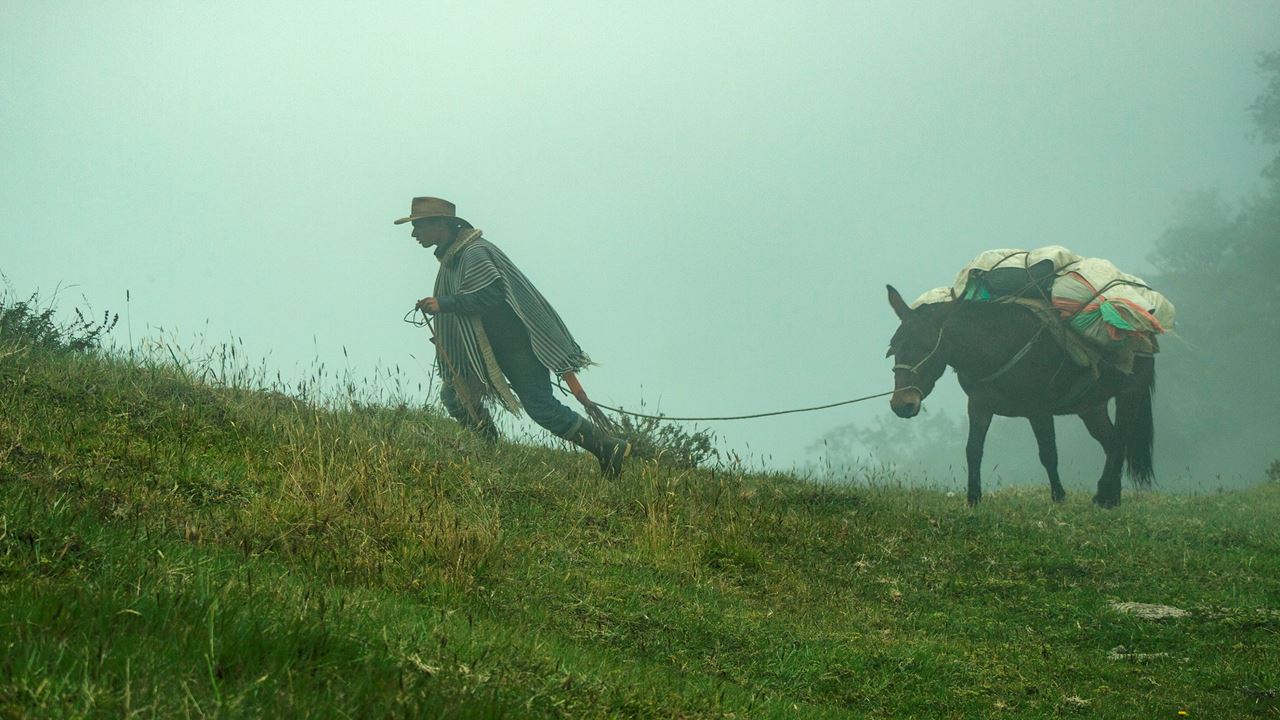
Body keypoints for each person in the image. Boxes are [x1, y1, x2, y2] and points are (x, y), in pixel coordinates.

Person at [394, 196, 630, 476]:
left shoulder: (474, 252)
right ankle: (489, 449)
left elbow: (490, 294)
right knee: (455, 394)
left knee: (543, 410)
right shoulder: (452, 259)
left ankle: (608, 446)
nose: (413, 233)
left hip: (519, 347)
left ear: (441, 224)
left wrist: (444, 304)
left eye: (418, 225)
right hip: (488, 350)